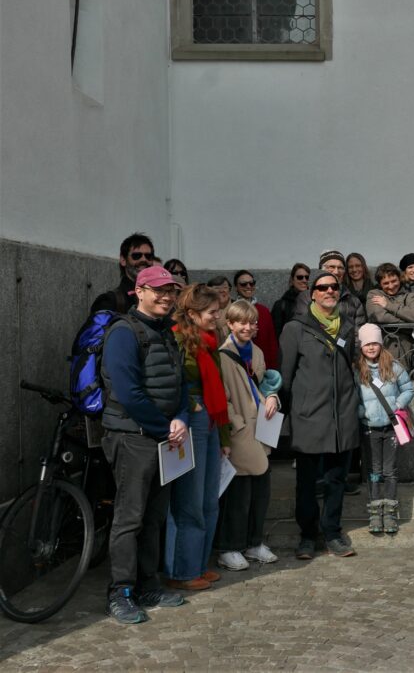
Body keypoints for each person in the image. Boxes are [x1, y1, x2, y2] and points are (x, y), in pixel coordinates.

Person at [100, 266, 189, 624]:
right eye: (159, 290)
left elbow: (180, 382)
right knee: (130, 518)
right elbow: (128, 392)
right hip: (133, 438)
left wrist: (180, 416)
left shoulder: (167, 332)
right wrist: (164, 427)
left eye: (171, 291)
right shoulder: (123, 333)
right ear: (140, 291)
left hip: (163, 438)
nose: (167, 296)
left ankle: (148, 583)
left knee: (154, 516)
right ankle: (120, 592)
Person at [279, 270, 361, 559]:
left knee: (337, 479)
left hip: (342, 416)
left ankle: (332, 532)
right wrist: (289, 415)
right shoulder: (295, 329)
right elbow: (285, 378)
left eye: (334, 287)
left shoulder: (348, 327)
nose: (329, 291)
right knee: (307, 481)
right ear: (312, 293)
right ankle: (307, 534)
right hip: (308, 417)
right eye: (322, 287)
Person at [164, 284, 230, 591]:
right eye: (212, 312)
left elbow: (219, 389)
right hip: (191, 420)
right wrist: (190, 406)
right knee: (189, 500)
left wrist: (224, 433)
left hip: (211, 421)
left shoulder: (209, 341)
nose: (217, 318)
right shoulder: (176, 337)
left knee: (208, 499)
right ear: (192, 313)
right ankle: (182, 570)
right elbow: (173, 383)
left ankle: (199, 564)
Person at [213, 300, 280, 571]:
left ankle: (254, 542)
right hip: (241, 431)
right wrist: (236, 425)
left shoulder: (258, 351)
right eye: (241, 322)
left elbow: (264, 383)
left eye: (252, 323)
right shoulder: (222, 355)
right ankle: (230, 546)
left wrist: (273, 395)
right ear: (229, 323)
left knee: (260, 491)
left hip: (262, 428)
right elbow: (222, 398)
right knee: (239, 494)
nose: (248, 327)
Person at [355, 323, 414, 534]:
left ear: (380, 344)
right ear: (361, 346)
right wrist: (362, 412)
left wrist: (398, 404)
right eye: (366, 344)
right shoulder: (358, 370)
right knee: (373, 471)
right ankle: (374, 511)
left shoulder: (394, 366)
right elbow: (353, 397)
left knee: (390, 471)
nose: (371, 348)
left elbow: (408, 388)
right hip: (369, 428)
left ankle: (390, 512)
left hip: (391, 427)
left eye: (374, 343)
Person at [365, 262, 414, 368]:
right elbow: (380, 317)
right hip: (382, 349)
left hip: (405, 351)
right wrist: (408, 322)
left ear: (399, 279)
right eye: (386, 283)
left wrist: (388, 305)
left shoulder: (409, 296)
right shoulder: (374, 294)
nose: (391, 286)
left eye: (394, 281)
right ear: (380, 284)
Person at [90, 233, 156, 314]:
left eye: (148, 256)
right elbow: (96, 326)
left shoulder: (161, 299)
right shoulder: (110, 301)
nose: (144, 260)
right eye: (136, 256)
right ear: (123, 260)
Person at [233, 270, 279, 370]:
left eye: (251, 283)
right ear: (236, 287)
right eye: (243, 284)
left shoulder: (264, 311)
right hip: (240, 366)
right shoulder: (232, 311)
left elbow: (272, 342)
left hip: (263, 366)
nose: (248, 286)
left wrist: (273, 368)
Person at [271, 263, 310, 338]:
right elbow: (276, 334)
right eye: (300, 277)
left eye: (306, 277)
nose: (304, 280)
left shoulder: (314, 302)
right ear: (292, 280)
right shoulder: (281, 305)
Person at [207, 275, 232, 343]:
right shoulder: (205, 309)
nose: (221, 290)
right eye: (217, 288)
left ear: (229, 290)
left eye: (225, 287)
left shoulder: (237, 307)